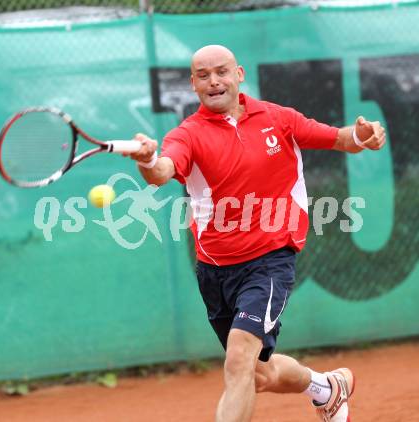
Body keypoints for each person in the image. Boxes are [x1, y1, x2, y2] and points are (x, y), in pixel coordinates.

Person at [127, 45, 385, 422]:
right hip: (214, 270)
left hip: (269, 261)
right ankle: (326, 388)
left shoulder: (278, 118)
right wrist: (148, 159)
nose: (214, 81)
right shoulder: (188, 134)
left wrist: (363, 136)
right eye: (203, 75)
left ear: (239, 74)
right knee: (257, 374)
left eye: (222, 71)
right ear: (193, 84)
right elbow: (163, 171)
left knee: (238, 359)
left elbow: (339, 138)